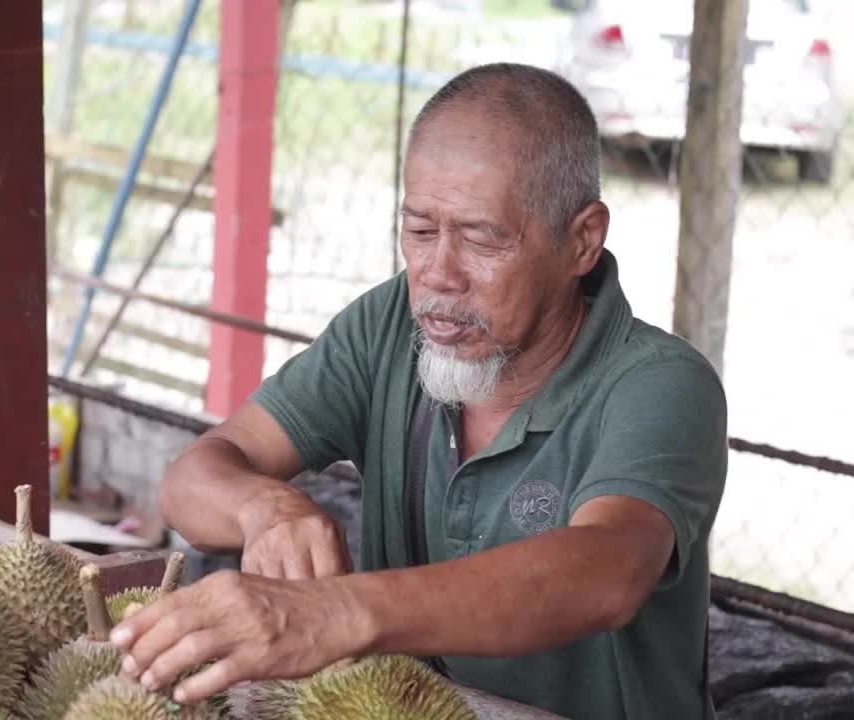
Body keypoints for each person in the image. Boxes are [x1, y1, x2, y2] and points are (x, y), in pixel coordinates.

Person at [108, 62, 728, 720]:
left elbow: (607, 571)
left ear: (581, 241)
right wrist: (267, 508)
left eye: (483, 239)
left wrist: (341, 613)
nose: (437, 275)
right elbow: (192, 480)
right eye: (420, 230)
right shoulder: (387, 328)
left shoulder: (659, 385)